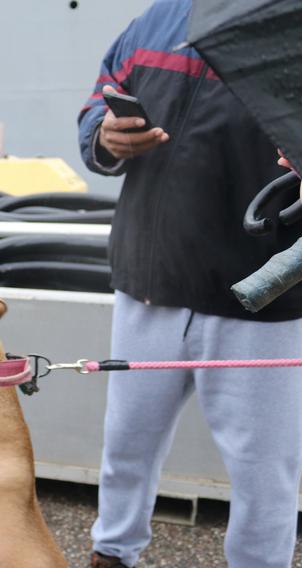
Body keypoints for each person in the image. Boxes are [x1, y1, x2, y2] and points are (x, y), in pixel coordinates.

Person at [78, 1, 302, 567]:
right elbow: (97, 101)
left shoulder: (288, 26)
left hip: (262, 296)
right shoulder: (157, 20)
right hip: (149, 281)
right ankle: (112, 553)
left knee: (264, 472)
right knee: (125, 447)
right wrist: (105, 137)